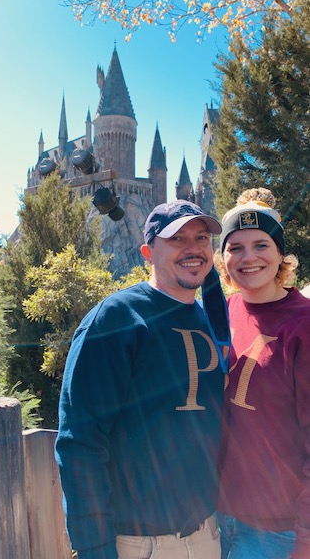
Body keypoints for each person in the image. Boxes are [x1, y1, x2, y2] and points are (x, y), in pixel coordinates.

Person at [55, 200, 231, 559]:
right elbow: (80, 442)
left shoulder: (209, 318)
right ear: (148, 252)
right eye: (177, 239)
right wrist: (94, 549)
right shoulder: (116, 319)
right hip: (140, 546)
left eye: (201, 237)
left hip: (207, 536)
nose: (193, 248)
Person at [215, 188, 310, 559]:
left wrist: (305, 542)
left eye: (261, 245)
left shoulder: (303, 324)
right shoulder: (222, 311)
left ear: (280, 254)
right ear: (222, 258)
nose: (248, 257)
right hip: (217, 517)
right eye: (235, 247)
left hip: (276, 531)